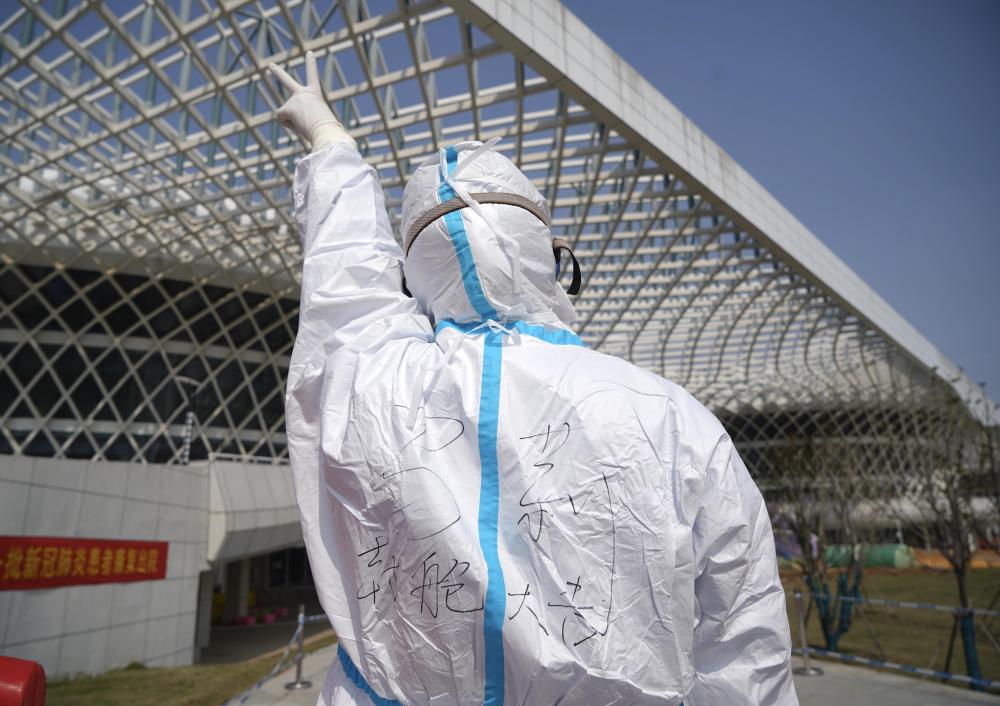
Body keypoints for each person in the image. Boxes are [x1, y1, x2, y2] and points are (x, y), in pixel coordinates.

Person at [273, 52, 798, 706]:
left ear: (415, 276)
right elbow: (747, 644)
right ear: (550, 260)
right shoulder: (671, 419)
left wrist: (330, 143)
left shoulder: (372, 384)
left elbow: (344, 281)